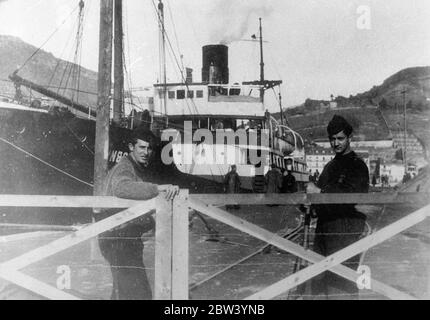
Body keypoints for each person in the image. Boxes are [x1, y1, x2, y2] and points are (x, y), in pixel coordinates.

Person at [96, 128, 179, 300]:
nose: (146, 152)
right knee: (138, 293)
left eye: (149, 149)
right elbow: (121, 187)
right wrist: (157, 188)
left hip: (123, 238)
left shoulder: (136, 168)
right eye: (141, 147)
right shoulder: (125, 167)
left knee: (124, 291)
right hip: (118, 239)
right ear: (131, 147)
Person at [307, 115, 369, 300]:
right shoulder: (329, 166)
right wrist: (308, 204)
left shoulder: (357, 166)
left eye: (340, 138)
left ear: (350, 138)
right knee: (320, 282)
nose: (336, 143)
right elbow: (318, 197)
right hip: (325, 231)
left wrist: (318, 192)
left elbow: (350, 195)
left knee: (341, 285)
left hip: (346, 232)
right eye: (332, 139)